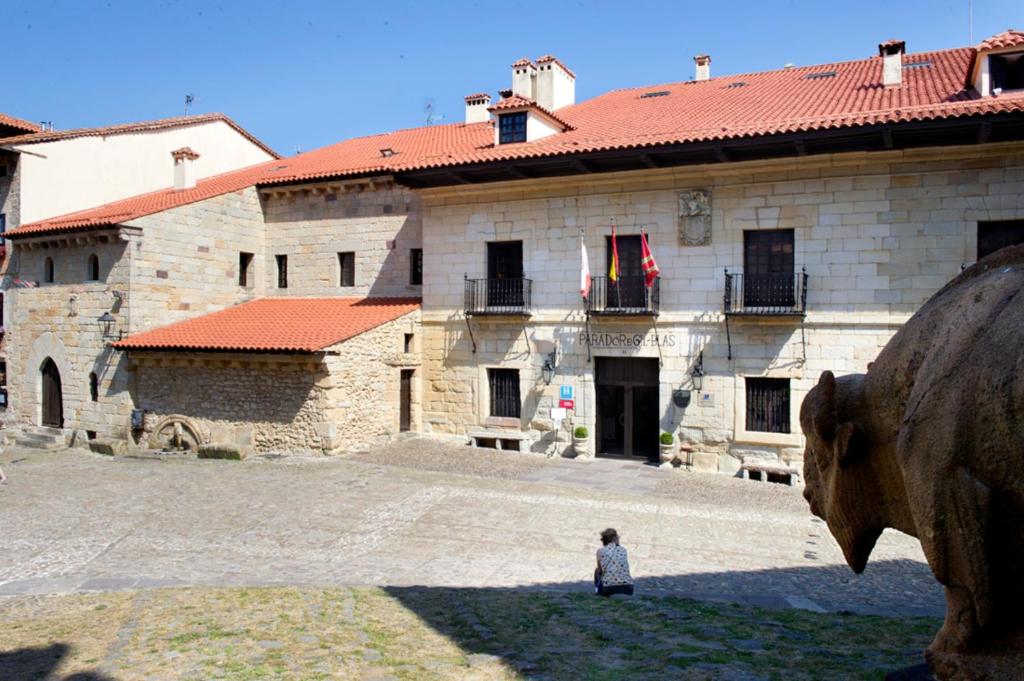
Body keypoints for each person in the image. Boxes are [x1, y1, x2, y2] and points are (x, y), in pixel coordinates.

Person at [594, 528, 634, 597]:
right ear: (614, 538)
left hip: (609, 589)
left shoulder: (600, 551)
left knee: (597, 571)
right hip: (628, 588)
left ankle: (598, 592)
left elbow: (600, 570)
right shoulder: (623, 550)